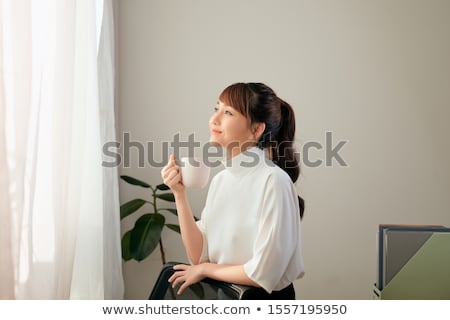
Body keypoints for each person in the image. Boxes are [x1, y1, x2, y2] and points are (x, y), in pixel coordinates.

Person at [161, 82, 305, 299]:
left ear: (256, 129)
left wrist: (206, 270)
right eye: (216, 108)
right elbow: (199, 256)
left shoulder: (273, 181)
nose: (214, 119)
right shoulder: (221, 180)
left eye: (228, 112)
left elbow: (263, 274)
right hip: (227, 297)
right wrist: (179, 194)